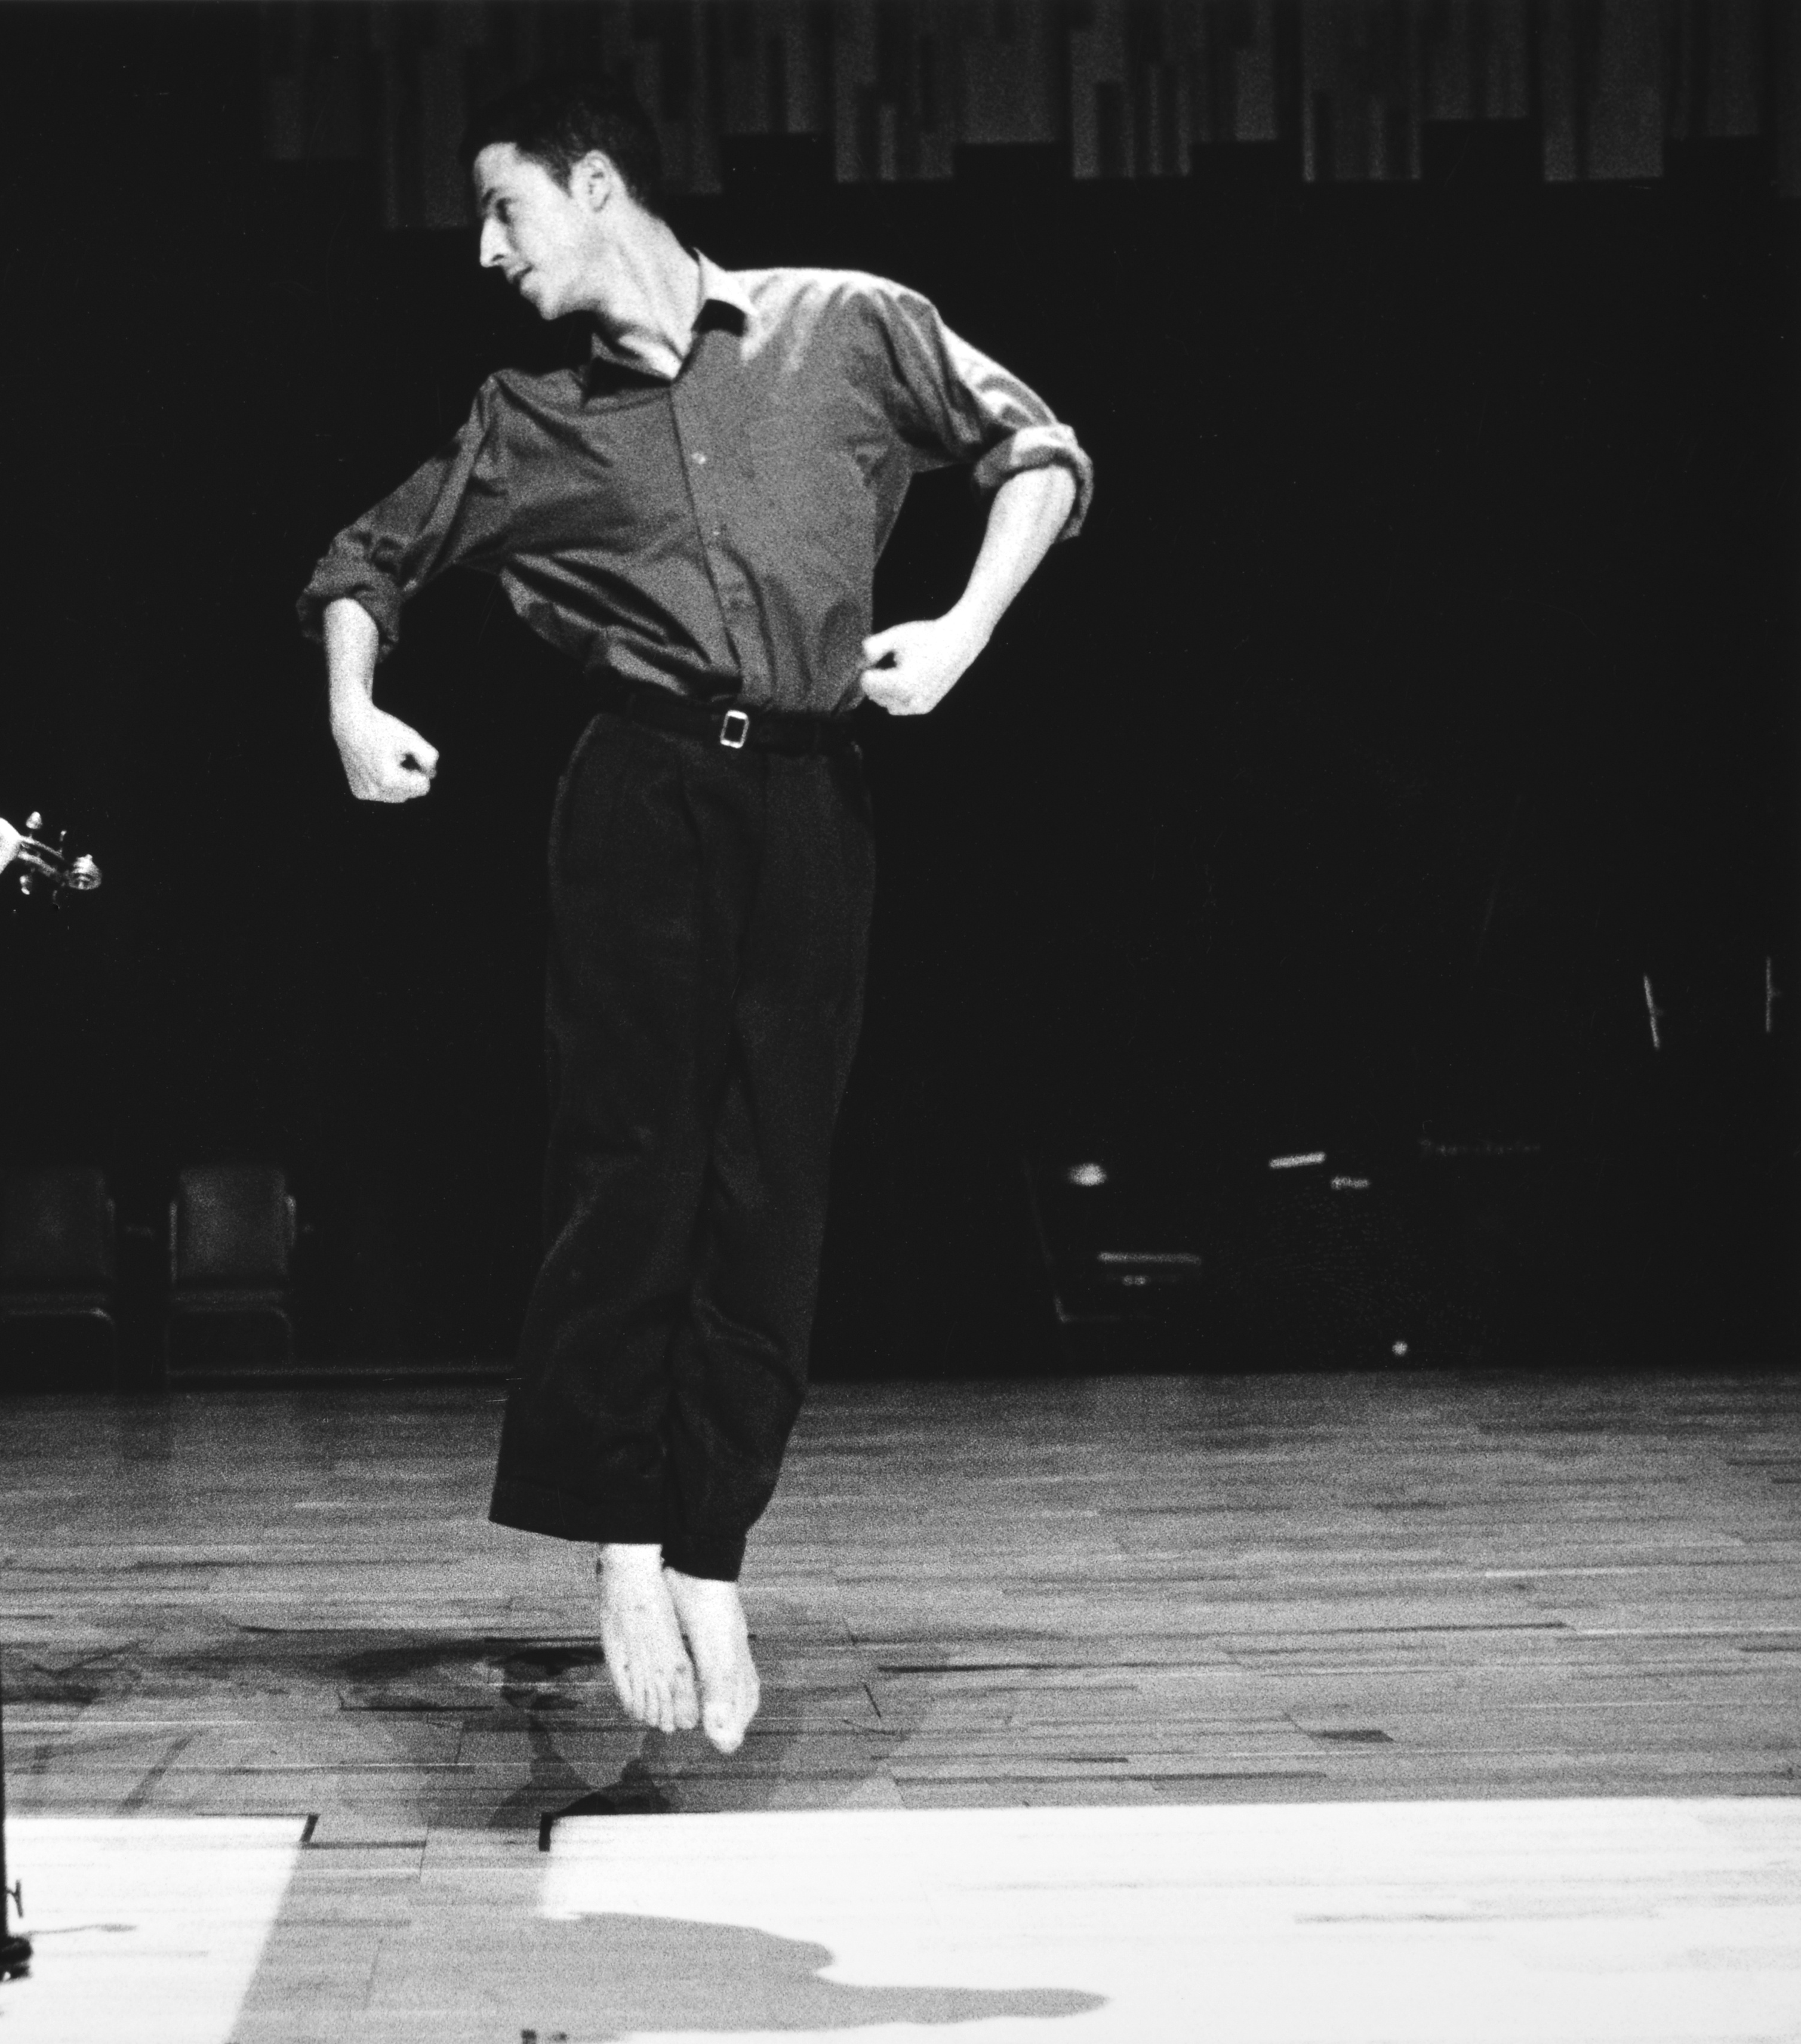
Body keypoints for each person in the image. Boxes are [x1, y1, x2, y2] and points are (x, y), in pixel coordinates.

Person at [297, 78, 1090, 1754]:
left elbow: (1039, 453)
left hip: (810, 795)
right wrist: (354, 708)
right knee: (633, 1169)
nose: (487, 252)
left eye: (505, 210)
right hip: (642, 797)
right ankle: (619, 1537)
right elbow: (368, 560)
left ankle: (711, 1543)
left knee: (772, 1182)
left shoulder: (846, 325)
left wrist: (960, 629)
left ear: (596, 186)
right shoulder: (529, 414)